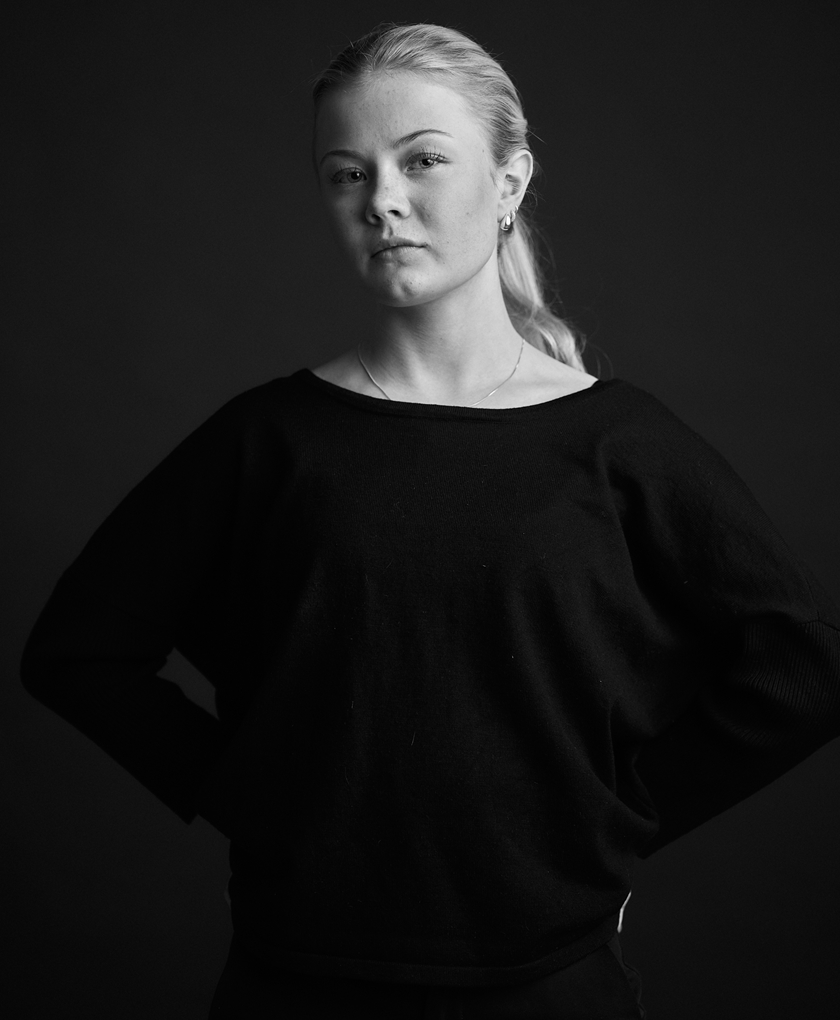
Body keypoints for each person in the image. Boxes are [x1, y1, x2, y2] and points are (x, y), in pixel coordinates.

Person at [20, 21, 840, 1020]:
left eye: (421, 161)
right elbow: (79, 652)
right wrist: (251, 791)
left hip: (548, 987)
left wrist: (614, 825)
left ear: (510, 181)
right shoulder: (268, 440)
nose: (383, 201)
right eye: (346, 174)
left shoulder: (617, 442)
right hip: (296, 985)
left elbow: (806, 667)